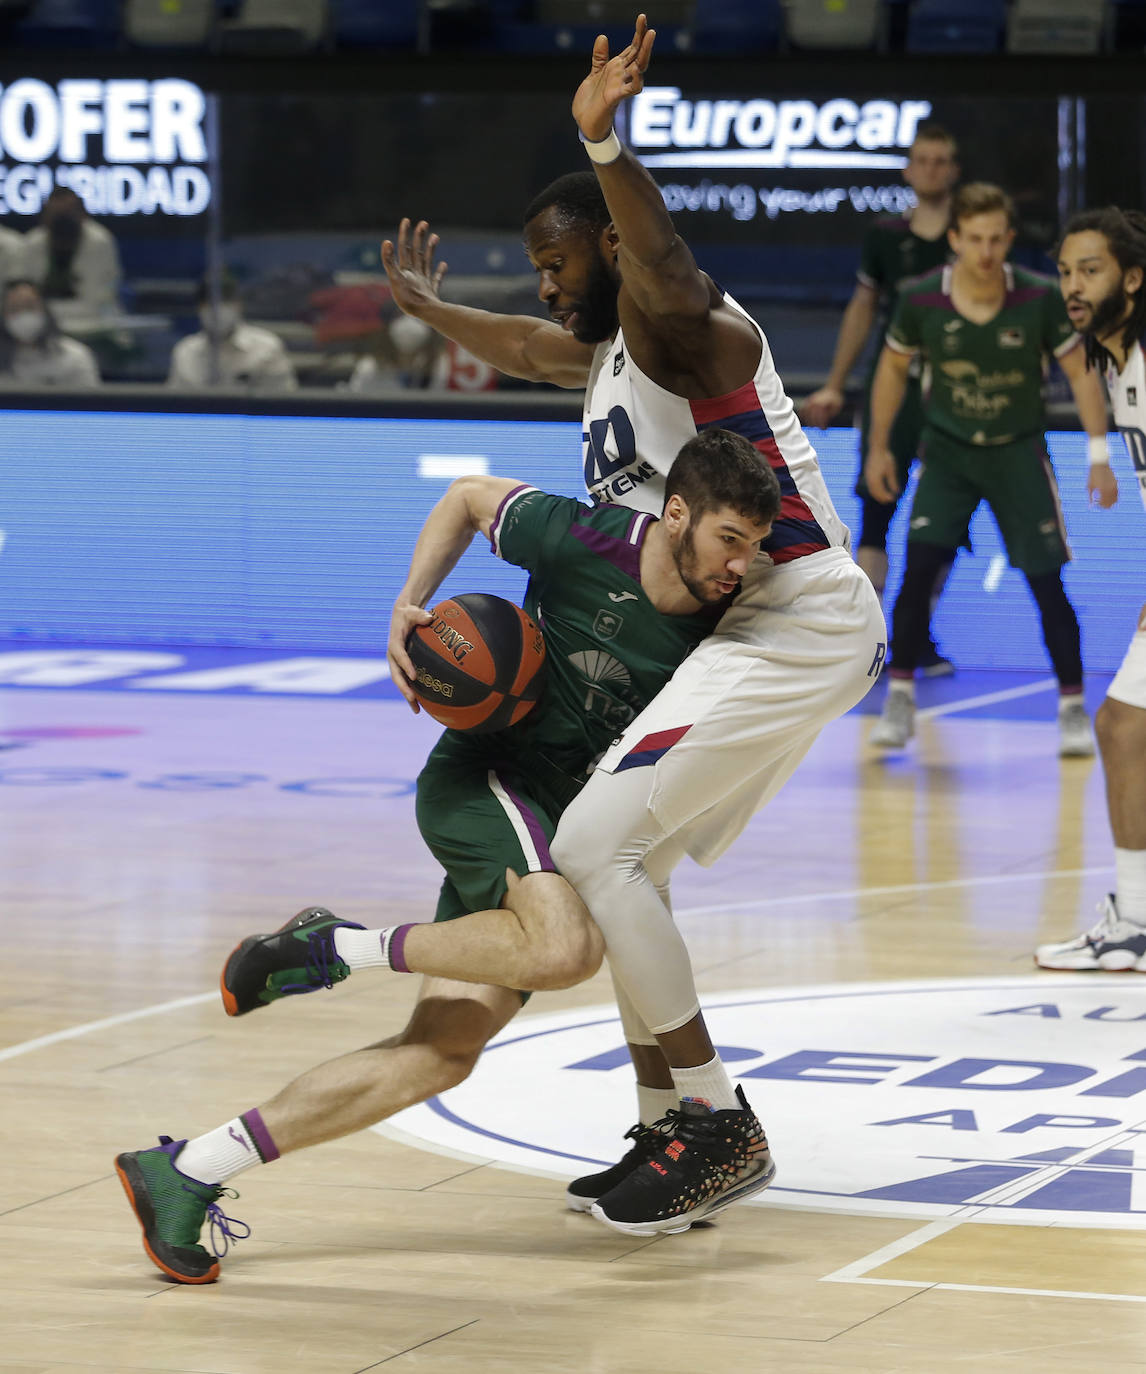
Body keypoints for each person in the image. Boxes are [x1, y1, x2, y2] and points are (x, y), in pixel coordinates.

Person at [379, 14, 885, 1236]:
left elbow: (666, 272)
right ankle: (669, 1130)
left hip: (796, 614)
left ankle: (713, 1123)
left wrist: (606, 142)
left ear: (608, 245)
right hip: (737, 634)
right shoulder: (605, 359)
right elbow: (524, 345)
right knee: (621, 867)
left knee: (594, 846)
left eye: (558, 260)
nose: (546, 283)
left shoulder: (685, 330)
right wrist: (430, 310)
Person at [114, 428, 782, 1283]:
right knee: (567, 950)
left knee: (441, 1053)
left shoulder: (737, 612)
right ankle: (333, 946)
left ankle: (188, 1170)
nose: (740, 564)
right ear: (677, 514)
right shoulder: (585, 539)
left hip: (567, 829)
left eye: (754, 547)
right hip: (491, 784)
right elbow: (467, 496)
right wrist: (408, 603)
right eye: (730, 540)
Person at [866, 182, 1112, 757]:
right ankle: (899, 700)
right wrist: (879, 447)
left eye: (996, 239)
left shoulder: (1041, 297)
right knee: (918, 572)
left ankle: (1073, 708)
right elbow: (891, 372)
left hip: (1017, 451)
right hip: (948, 452)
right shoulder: (922, 298)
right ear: (954, 239)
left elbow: (1080, 374)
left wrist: (1099, 457)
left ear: (1008, 240)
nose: (985, 250)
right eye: (973, 238)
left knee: (1048, 584)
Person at [801, 123, 960, 676]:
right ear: (908, 170)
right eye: (924, 160)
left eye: (942, 160)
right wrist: (835, 383)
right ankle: (869, 643)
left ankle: (919, 635)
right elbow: (862, 309)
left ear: (954, 171)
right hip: (892, 389)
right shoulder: (885, 237)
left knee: (944, 520)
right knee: (876, 512)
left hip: (955, 395)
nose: (933, 169)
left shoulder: (973, 236)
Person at [1037, 207, 1146, 970]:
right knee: (1124, 729)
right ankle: (1135, 916)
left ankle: (1137, 920)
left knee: (1119, 727)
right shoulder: (1109, 361)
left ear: (1132, 279)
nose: (1074, 286)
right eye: (1068, 270)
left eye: (1093, 270)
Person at [167, 275, 298, 392]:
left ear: (238, 305)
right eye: (209, 303)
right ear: (199, 308)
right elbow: (174, 406)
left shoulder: (267, 348)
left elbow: (285, 403)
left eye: (225, 302)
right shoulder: (185, 352)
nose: (217, 310)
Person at [20, 186, 121, 320]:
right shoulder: (32, 243)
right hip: (43, 326)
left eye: (68, 213)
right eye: (57, 214)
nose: (63, 221)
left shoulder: (99, 243)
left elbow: (95, 302)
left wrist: (42, 310)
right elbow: (24, 299)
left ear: (82, 215)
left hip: (94, 324)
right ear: (46, 217)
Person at [0, 279, 100, 387]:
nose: (23, 315)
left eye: (30, 306)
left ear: (45, 310)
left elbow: (90, 401)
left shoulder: (75, 357)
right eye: (14, 308)